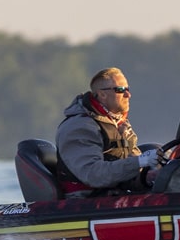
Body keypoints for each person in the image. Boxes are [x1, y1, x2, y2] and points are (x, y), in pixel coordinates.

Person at [55, 67, 160, 197]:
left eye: (128, 89)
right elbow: (93, 175)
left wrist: (148, 176)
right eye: (121, 90)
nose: (128, 95)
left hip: (114, 195)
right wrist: (140, 161)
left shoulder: (119, 124)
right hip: (86, 202)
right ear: (102, 94)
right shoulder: (79, 127)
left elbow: (127, 173)